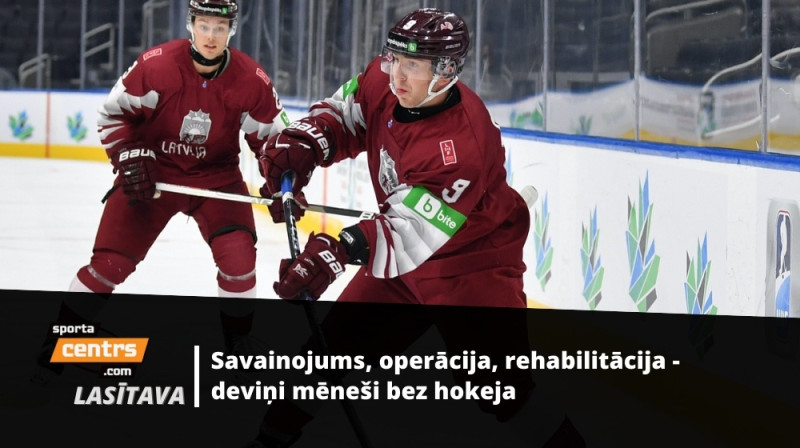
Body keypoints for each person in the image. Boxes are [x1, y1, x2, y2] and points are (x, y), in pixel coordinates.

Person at [250, 8, 584, 447]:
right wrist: (308, 140)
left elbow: (409, 233)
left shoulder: (460, 144)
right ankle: (267, 441)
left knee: (504, 392)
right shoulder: (388, 81)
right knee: (327, 356)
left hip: (472, 269)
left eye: (412, 66)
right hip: (403, 264)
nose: (396, 76)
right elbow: (347, 112)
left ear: (445, 72)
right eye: (394, 59)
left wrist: (337, 251)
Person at [32, 0, 290, 382]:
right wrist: (128, 155)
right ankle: (62, 341)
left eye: (220, 28)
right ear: (191, 25)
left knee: (239, 259)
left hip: (216, 179)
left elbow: (273, 139)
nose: (211, 36)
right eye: (204, 25)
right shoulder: (157, 66)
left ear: (232, 30)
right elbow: (114, 114)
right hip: (154, 176)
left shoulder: (251, 80)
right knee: (109, 264)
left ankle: (237, 344)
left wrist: (282, 180)